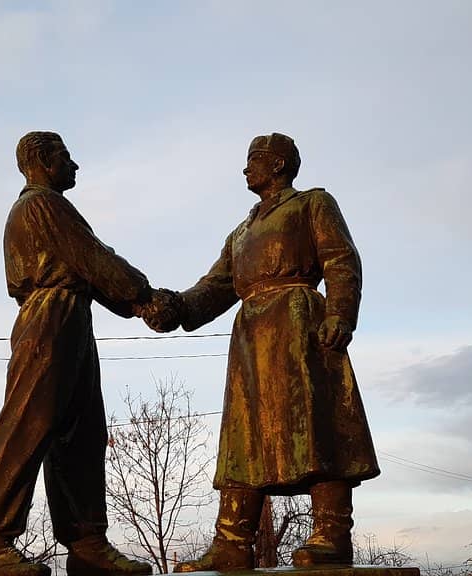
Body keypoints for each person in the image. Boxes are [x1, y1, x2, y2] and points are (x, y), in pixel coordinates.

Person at [153, 132, 380, 571]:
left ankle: (332, 534)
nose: (245, 168)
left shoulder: (313, 203)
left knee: (318, 425)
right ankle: (232, 543)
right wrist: (174, 309)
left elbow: (340, 259)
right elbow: (215, 287)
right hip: (252, 334)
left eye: (253, 159)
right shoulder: (241, 232)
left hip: (300, 321)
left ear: (278, 165)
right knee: (244, 436)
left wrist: (340, 314)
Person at [0, 131, 174, 576]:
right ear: (41, 159)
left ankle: (87, 543)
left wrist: (135, 303)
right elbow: (92, 258)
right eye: (66, 157)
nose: (75, 166)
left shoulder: (50, 206)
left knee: (82, 432)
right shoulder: (40, 204)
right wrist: (143, 296)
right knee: (28, 422)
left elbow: (92, 273)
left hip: (72, 316)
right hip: (48, 318)